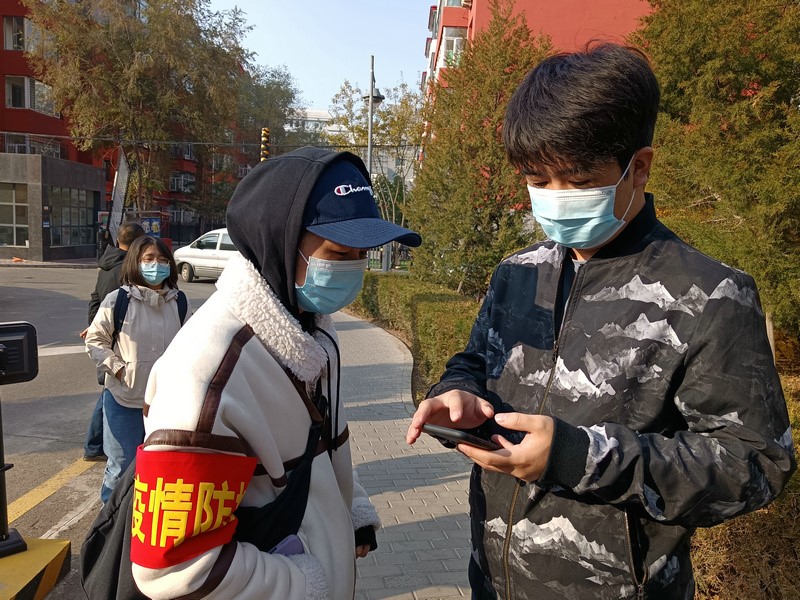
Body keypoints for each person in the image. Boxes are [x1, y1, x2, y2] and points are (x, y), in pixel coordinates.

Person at [406, 43, 796, 599]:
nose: (555, 198)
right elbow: (475, 361)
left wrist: (577, 458)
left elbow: (755, 462)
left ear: (639, 167)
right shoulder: (517, 273)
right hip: (493, 579)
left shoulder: (709, 295)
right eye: (538, 179)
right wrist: (457, 391)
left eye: (578, 179)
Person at [130, 147, 422, 599]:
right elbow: (172, 569)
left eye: (363, 253)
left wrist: (353, 509)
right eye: (339, 251)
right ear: (279, 242)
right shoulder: (208, 374)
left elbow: (323, 444)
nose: (355, 266)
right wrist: (307, 583)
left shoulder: (311, 330)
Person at [85, 235, 189, 503]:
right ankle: (111, 521)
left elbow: (188, 346)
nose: (157, 264)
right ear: (135, 262)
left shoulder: (178, 302)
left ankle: (145, 518)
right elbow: (95, 340)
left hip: (163, 405)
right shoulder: (117, 300)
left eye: (163, 259)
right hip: (124, 399)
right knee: (121, 468)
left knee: (158, 467)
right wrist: (119, 369)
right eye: (149, 259)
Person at [79, 221, 146, 461]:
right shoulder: (128, 270)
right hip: (121, 343)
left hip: (107, 338)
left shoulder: (106, 266)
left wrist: (95, 326)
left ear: (119, 240)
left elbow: (95, 300)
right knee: (111, 395)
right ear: (139, 243)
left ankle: (93, 446)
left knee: (108, 393)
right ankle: (95, 445)